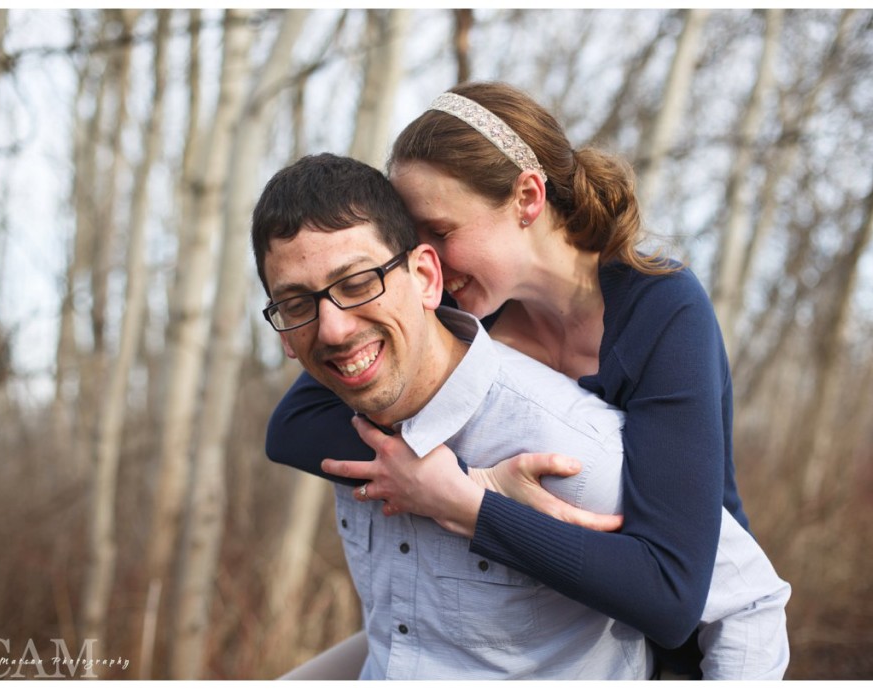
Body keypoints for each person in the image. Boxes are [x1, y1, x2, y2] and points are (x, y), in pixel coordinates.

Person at [265, 82, 785, 679]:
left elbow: (672, 590)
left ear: (527, 198)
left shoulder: (663, 310)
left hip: (678, 640)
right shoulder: (469, 303)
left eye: (440, 231)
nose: (427, 262)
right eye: (414, 241)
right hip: (519, 615)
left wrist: (469, 502)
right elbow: (295, 427)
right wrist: (452, 475)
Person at [253, 153, 653, 680]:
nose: (332, 329)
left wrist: (470, 496)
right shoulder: (347, 419)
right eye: (297, 304)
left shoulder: (572, 450)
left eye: (358, 283)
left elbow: (739, 603)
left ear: (425, 276)